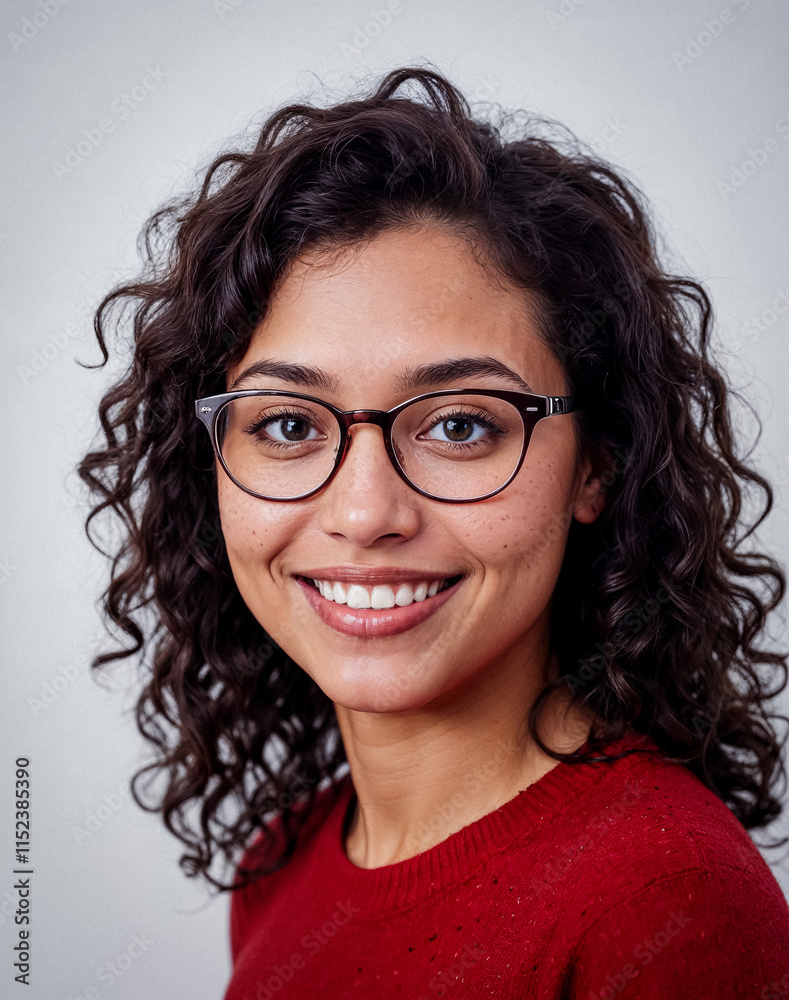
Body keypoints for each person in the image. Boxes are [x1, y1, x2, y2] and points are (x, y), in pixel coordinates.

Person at [78, 67, 789, 998]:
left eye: (459, 423)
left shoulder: (665, 905)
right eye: (288, 424)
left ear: (595, 465)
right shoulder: (281, 865)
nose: (367, 514)